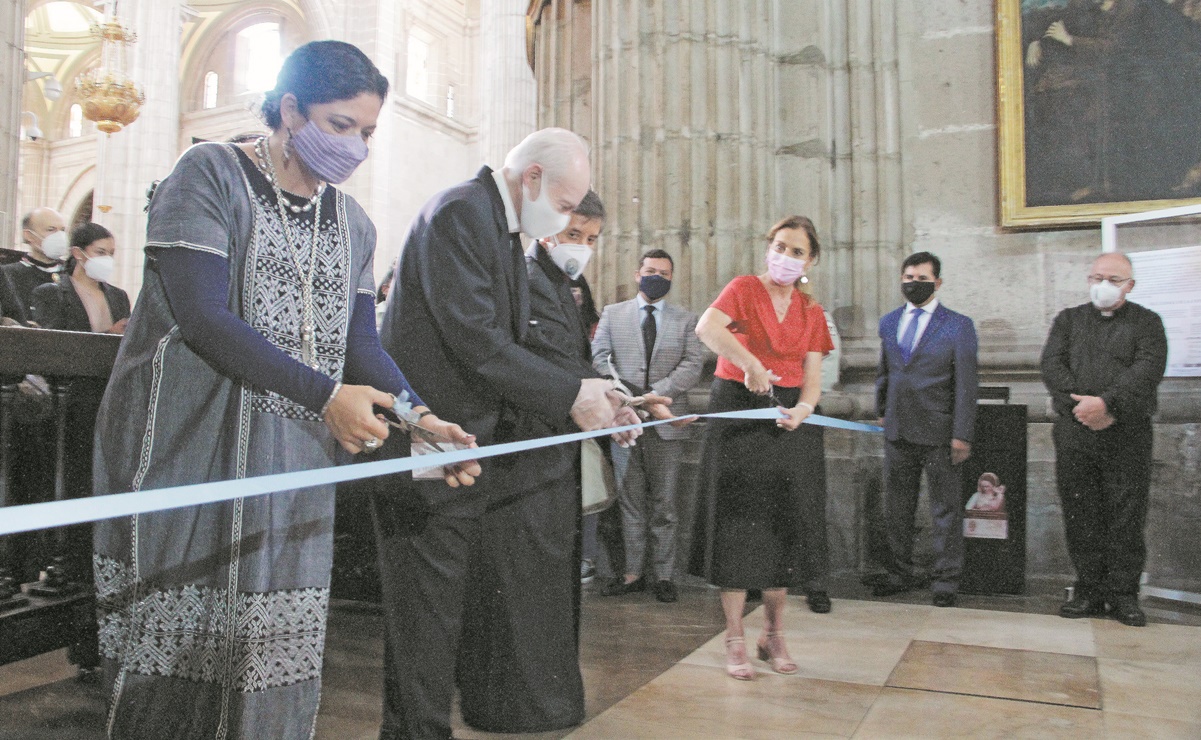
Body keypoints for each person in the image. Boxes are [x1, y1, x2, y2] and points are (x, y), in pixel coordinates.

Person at [91, 41, 476, 740]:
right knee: (176, 653)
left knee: (267, 655)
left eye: (367, 133)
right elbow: (204, 317)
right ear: (289, 109)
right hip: (186, 438)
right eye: (339, 126)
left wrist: (420, 417)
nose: (355, 148)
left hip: (285, 458)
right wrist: (326, 396)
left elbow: (362, 345)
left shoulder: (352, 224)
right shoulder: (208, 175)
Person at [374, 128, 648, 738]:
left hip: (463, 452)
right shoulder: (460, 214)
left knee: (447, 617)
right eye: (567, 202)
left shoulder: (499, 228)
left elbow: (520, 344)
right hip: (429, 445)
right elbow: (477, 339)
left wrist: (601, 391)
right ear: (531, 180)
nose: (569, 217)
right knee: (424, 624)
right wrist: (571, 394)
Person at [689, 215, 834, 681]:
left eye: (796, 251)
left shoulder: (811, 311)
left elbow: (813, 381)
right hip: (737, 408)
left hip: (788, 419)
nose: (785, 256)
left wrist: (804, 410)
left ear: (810, 260)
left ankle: (773, 634)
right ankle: (734, 636)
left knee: (783, 522)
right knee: (735, 525)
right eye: (779, 246)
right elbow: (707, 328)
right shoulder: (744, 288)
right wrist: (750, 363)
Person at [1041, 251, 1167, 627]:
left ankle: (1124, 594)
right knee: (1081, 512)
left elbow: (1148, 369)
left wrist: (1108, 405)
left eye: (1113, 279)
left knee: (1126, 515)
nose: (1103, 286)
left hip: (1127, 431)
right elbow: (1052, 365)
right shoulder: (1068, 320)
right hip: (1075, 431)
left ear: (1129, 285)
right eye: (1097, 277)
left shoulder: (1147, 323)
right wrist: (1083, 407)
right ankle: (1089, 589)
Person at [593, 249, 703, 603]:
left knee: (666, 503)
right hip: (624, 418)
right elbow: (599, 357)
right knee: (629, 500)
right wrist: (629, 395)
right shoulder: (613, 314)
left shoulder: (686, 320)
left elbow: (692, 363)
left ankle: (664, 575)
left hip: (667, 422)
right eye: (651, 270)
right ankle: (632, 573)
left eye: (665, 273)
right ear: (638, 273)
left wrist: (657, 395)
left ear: (671, 278)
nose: (658, 276)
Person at [872, 251, 978, 608]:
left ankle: (946, 579)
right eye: (908, 277)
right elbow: (885, 371)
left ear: (938, 282)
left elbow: (966, 383)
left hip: (940, 430)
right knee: (897, 507)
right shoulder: (888, 322)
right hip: (898, 429)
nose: (913, 284)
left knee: (945, 509)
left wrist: (962, 433)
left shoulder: (958, 325)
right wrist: (882, 410)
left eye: (921, 278)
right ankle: (899, 572)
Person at [31, 222, 130, 334]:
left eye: (111, 253)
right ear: (77, 253)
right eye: (100, 252)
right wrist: (109, 334)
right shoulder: (52, 293)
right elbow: (53, 342)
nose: (107, 259)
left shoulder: (119, 297)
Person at [0, 207, 68, 325]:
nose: (59, 236)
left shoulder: (73, 273)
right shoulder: (8, 273)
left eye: (62, 230)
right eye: (51, 229)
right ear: (28, 235)